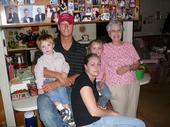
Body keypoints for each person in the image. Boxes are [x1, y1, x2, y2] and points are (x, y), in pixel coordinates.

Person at [32, 13, 86, 127]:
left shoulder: (81, 49)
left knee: (76, 113)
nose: (66, 26)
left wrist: (57, 83)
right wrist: (56, 75)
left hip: (69, 89)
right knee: (46, 115)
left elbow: (80, 74)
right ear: (58, 26)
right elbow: (34, 68)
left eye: (69, 23)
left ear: (73, 25)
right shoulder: (48, 44)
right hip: (47, 88)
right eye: (62, 23)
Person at [71, 53, 145, 127]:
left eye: (98, 64)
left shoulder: (90, 79)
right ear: (86, 67)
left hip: (95, 120)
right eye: (92, 64)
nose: (96, 67)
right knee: (139, 124)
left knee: (137, 123)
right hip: (89, 124)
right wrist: (112, 113)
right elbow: (94, 112)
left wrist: (104, 110)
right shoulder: (84, 83)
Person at [99, 19, 140, 117]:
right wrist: (100, 80)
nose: (116, 33)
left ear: (122, 32)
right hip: (116, 85)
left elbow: (137, 63)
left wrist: (128, 67)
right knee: (121, 115)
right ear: (109, 33)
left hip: (133, 83)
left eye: (119, 30)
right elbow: (99, 64)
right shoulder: (104, 47)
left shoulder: (129, 45)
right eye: (113, 31)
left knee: (132, 114)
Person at [34, 34, 75, 126]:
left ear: (53, 45)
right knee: (51, 91)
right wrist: (39, 86)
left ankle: (66, 109)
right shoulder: (41, 60)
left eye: (48, 45)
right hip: (47, 80)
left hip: (60, 81)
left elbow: (65, 64)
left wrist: (65, 72)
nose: (46, 48)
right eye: (43, 47)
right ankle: (60, 107)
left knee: (62, 90)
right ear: (40, 49)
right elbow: (38, 73)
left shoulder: (60, 55)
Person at [87, 39, 112, 109]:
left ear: (102, 49)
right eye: (94, 48)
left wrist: (102, 82)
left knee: (107, 95)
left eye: (99, 48)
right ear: (90, 50)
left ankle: (101, 106)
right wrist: (94, 85)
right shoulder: (88, 60)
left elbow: (106, 72)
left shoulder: (104, 59)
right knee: (92, 95)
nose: (97, 50)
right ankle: (91, 107)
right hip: (91, 81)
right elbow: (87, 74)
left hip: (101, 81)